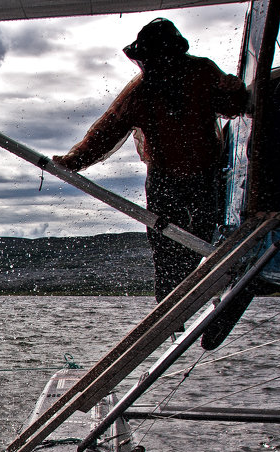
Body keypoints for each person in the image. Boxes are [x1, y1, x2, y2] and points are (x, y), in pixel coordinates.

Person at [53, 18, 249, 302]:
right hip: (164, 177)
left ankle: (193, 291)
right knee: (164, 240)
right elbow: (107, 132)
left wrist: (234, 89)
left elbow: (232, 105)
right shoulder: (142, 91)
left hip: (206, 173)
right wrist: (73, 161)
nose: (158, 64)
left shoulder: (202, 72)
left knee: (204, 233)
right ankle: (170, 299)